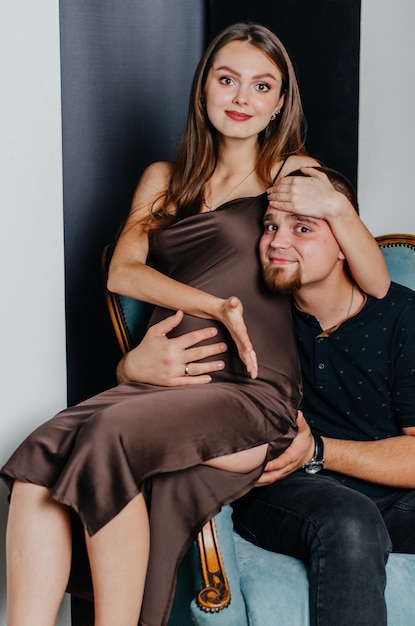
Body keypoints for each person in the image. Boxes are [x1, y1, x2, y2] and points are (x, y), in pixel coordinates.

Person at [0, 23, 388, 626]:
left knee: (105, 443)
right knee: (37, 461)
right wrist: (213, 308)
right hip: (161, 385)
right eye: (227, 79)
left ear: (280, 102)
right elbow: (124, 273)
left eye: (262, 86)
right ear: (204, 85)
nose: (241, 98)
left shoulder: (292, 174)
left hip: (250, 388)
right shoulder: (166, 179)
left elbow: (376, 280)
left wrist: (334, 202)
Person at [121, 166, 415, 626]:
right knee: (351, 521)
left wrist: (317, 449)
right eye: (270, 226)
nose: (277, 241)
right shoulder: (244, 313)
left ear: (345, 242)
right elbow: (168, 394)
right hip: (285, 492)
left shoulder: (403, 315)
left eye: (302, 228)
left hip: (390, 497)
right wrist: (127, 365)